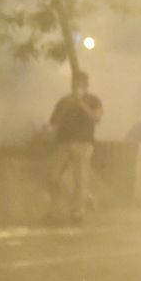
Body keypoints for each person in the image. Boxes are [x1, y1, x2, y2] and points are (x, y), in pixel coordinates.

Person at [48, 71, 104, 224]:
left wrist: (82, 105)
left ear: (86, 85)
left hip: (84, 143)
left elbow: (97, 118)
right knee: (54, 177)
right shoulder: (64, 101)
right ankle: (55, 209)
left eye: (81, 83)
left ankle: (77, 211)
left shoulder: (93, 100)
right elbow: (54, 122)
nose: (78, 86)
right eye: (76, 83)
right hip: (63, 143)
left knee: (80, 178)